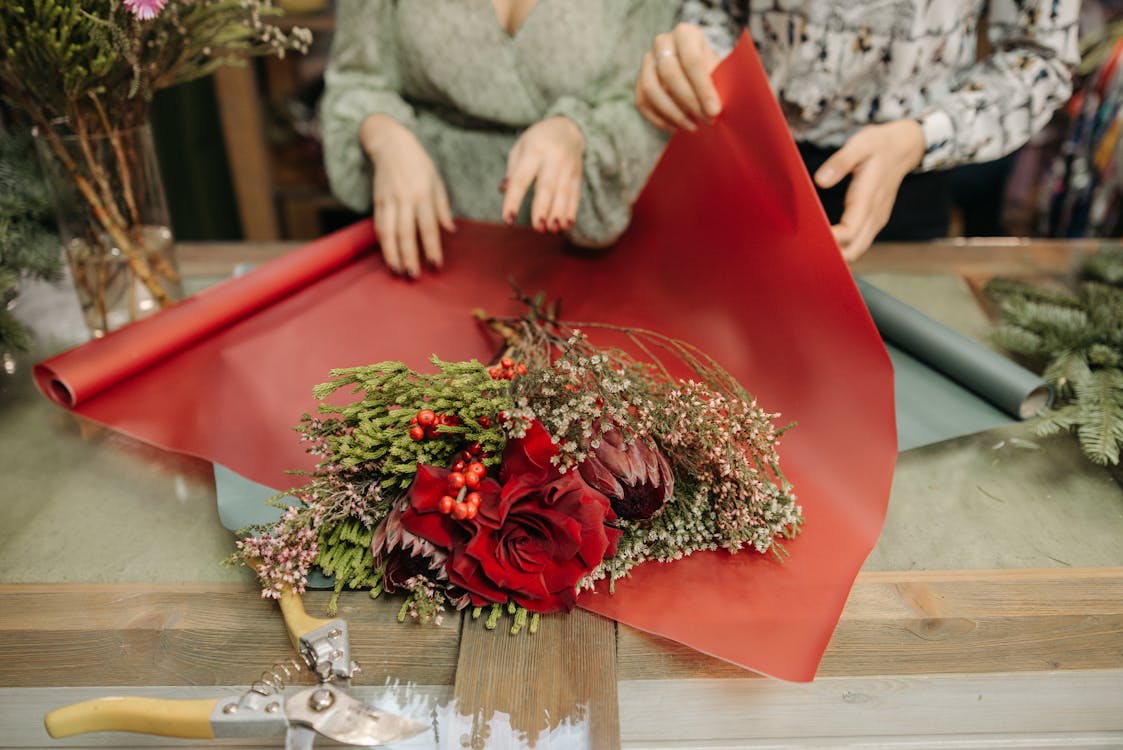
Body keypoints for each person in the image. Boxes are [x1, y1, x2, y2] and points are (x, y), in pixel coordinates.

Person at [634, 0, 1080, 260]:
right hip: (739, 151)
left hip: (902, 179)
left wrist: (922, 137)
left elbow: (1040, 57)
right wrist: (695, 59)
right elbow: (715, 9)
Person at [320, 0, 677, 278]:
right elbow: (355, 82)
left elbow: (643, 108)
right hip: (419, 244)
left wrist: (575, 131)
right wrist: (385, 135)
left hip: (580, 255)